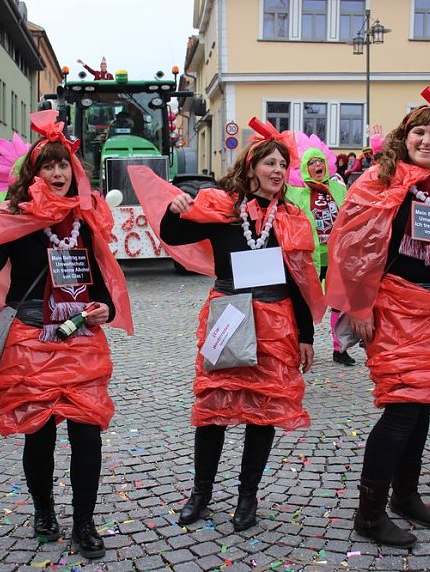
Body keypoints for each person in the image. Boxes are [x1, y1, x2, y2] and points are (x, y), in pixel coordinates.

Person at [131, 118, 324, 533]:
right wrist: (175, 208)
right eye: (269, 163)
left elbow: (300, 280)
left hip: (277, 320)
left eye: (282, 165)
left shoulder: (290, 216)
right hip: (230, 313)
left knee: (264, 410)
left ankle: (247, 495)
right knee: (214, 408)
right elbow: (172, 234)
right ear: (251, 167)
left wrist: (306, 335)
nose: (277, 171)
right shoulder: (222, 207)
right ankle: (201, 492)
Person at [0, 110, 132, 559]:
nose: (57, 173)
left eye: (63, 165)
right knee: (39, 433)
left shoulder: (85, 219)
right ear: (32, 174)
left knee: (87, 432)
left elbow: (100, 280)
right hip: (32, 336)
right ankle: (43, 511)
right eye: (48, 166)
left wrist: (105, 309)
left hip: (80, 337)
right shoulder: (17, 218)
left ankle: (84, 522)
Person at [326, 86, 430, 548]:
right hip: (395, 309)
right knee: (402, 408)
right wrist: (359, 305)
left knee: (423, 406)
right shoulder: (378, 180)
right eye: (420, 132)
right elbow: (352, 247)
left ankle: (404, 495)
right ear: (404, 136)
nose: (428, 140)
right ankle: (368, 516)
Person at [285, 142, 351, 365]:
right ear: (305, 168)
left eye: (320, 161)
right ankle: (301, 344)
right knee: (303, 302)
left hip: (335, 256)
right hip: (310, 257)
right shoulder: (298, 193)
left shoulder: (339, 189)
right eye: (312, 162)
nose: (317, 165)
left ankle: (339, 348)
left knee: (339, 302)